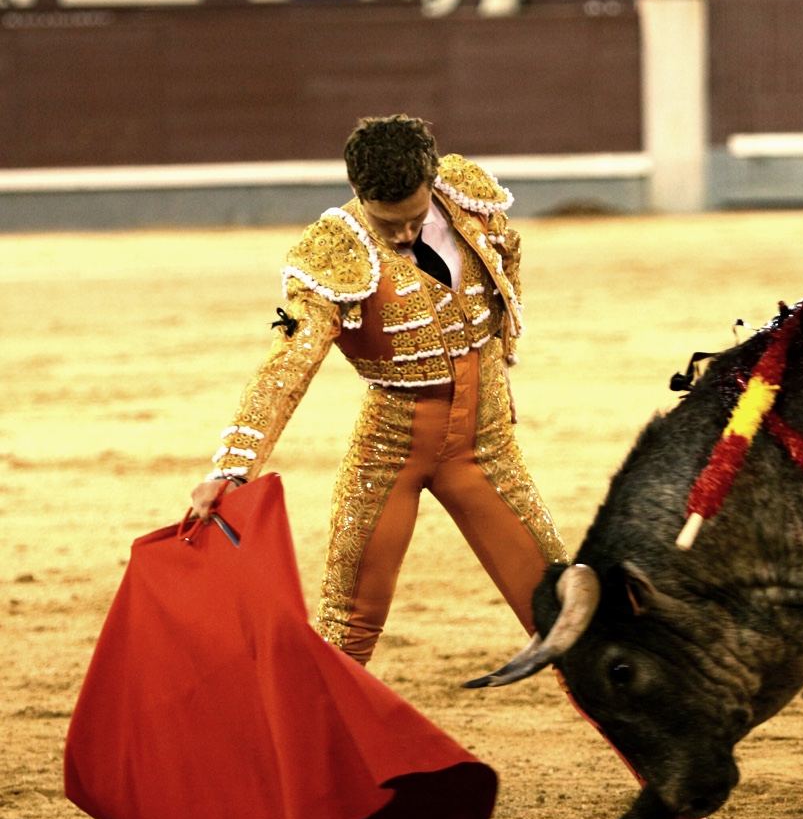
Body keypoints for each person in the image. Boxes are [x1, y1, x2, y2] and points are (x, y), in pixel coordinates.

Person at [190, 115, 563, 665]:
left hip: (485, 445)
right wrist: (232, 466)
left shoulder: (468, 197)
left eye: (413, 219)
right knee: (347, 633)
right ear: (356, 192)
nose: (404, 236)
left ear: (434, 181)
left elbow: (507, 252)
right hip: (390, 452)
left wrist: (501, 352)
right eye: (387, 223)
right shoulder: (331, 252)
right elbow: (290, 362)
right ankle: (311, 750)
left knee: (565, 618)